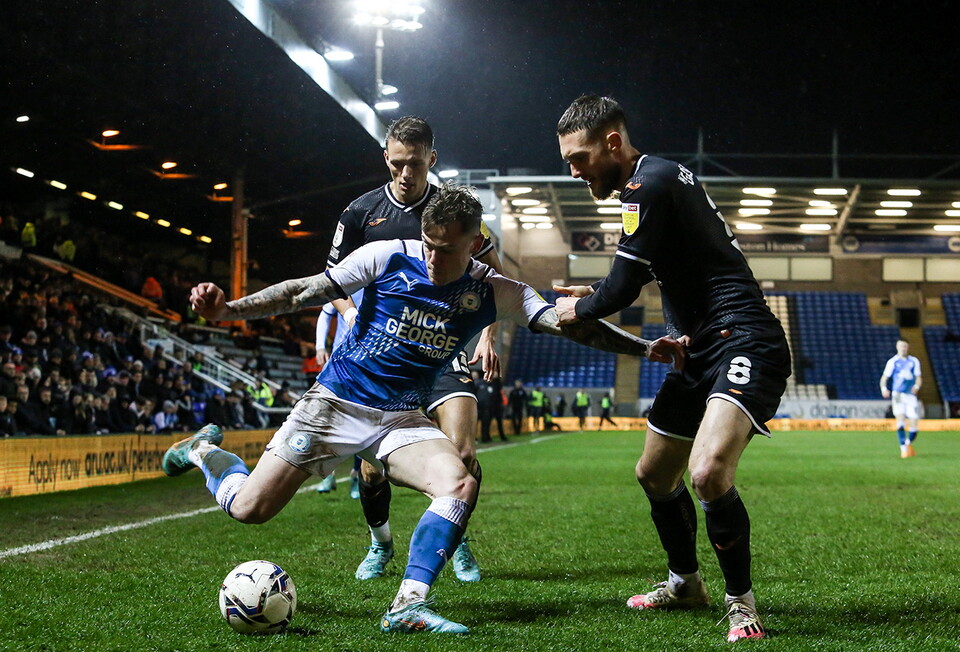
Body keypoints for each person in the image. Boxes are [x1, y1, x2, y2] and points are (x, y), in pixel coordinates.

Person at [171, 184, 682, 633]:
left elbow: (570, 324)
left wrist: (645, 348)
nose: (433, 258)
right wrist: (228, 310)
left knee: (460, 480)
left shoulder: (495, 290)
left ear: (476, 244)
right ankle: (201, 452)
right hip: (333, 404)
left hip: (398, 418)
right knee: (249, 510)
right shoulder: (387, 256)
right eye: (430, 246)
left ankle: (407, 604)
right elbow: (307, 289)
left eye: (446, 250)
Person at [554, 95, 791, 643]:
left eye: (580, 157)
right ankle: (685, 583)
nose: (573, 170)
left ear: (613, 142)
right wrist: (597, 295)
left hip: (744, 339)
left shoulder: (646, 186)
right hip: (697, 345)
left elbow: (622, 288)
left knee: (708, 473)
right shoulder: (656, 178)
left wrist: (578, 308)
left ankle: (741, 603)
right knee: (655, 474)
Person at [313, 116, 504, 583]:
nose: (405, 173)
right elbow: (330, 281)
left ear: (431, 160)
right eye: (397, 163)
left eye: (415, 164)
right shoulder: (361, 213)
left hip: (443, 345)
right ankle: (381, 546)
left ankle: (455, 543)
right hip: (380, 354)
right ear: (386, 158)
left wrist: (487, 335)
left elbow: (493, 272)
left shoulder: (453, 207)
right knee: (373, 472)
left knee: (463, 453)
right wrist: (349, 311)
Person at [879, 338, 922, 458]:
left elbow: (918, 376)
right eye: (901, 346)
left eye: (905, 346)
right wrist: (884, 389)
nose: (903, 348)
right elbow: (884, 378)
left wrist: (917, 386)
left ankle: (908, 443)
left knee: (914, 422)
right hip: (898, 394)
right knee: (900, 420)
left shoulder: (914, 361)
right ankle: (903, 447)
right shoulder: (892, 362)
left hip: (910, 395)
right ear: (897, 347)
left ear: (907, 347)